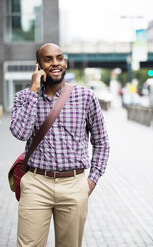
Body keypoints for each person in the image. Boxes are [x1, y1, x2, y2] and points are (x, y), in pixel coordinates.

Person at [10, 43, 110, 247]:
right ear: (38, 66)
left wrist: (91, 180)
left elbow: (101, 142)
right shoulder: (24, 97)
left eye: (59, 58)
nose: (55, 63)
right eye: (48, 59)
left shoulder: (86, 97)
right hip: (36, 183)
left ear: (65, 62)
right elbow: (20, 133)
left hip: (74, 184)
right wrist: (34, 89)